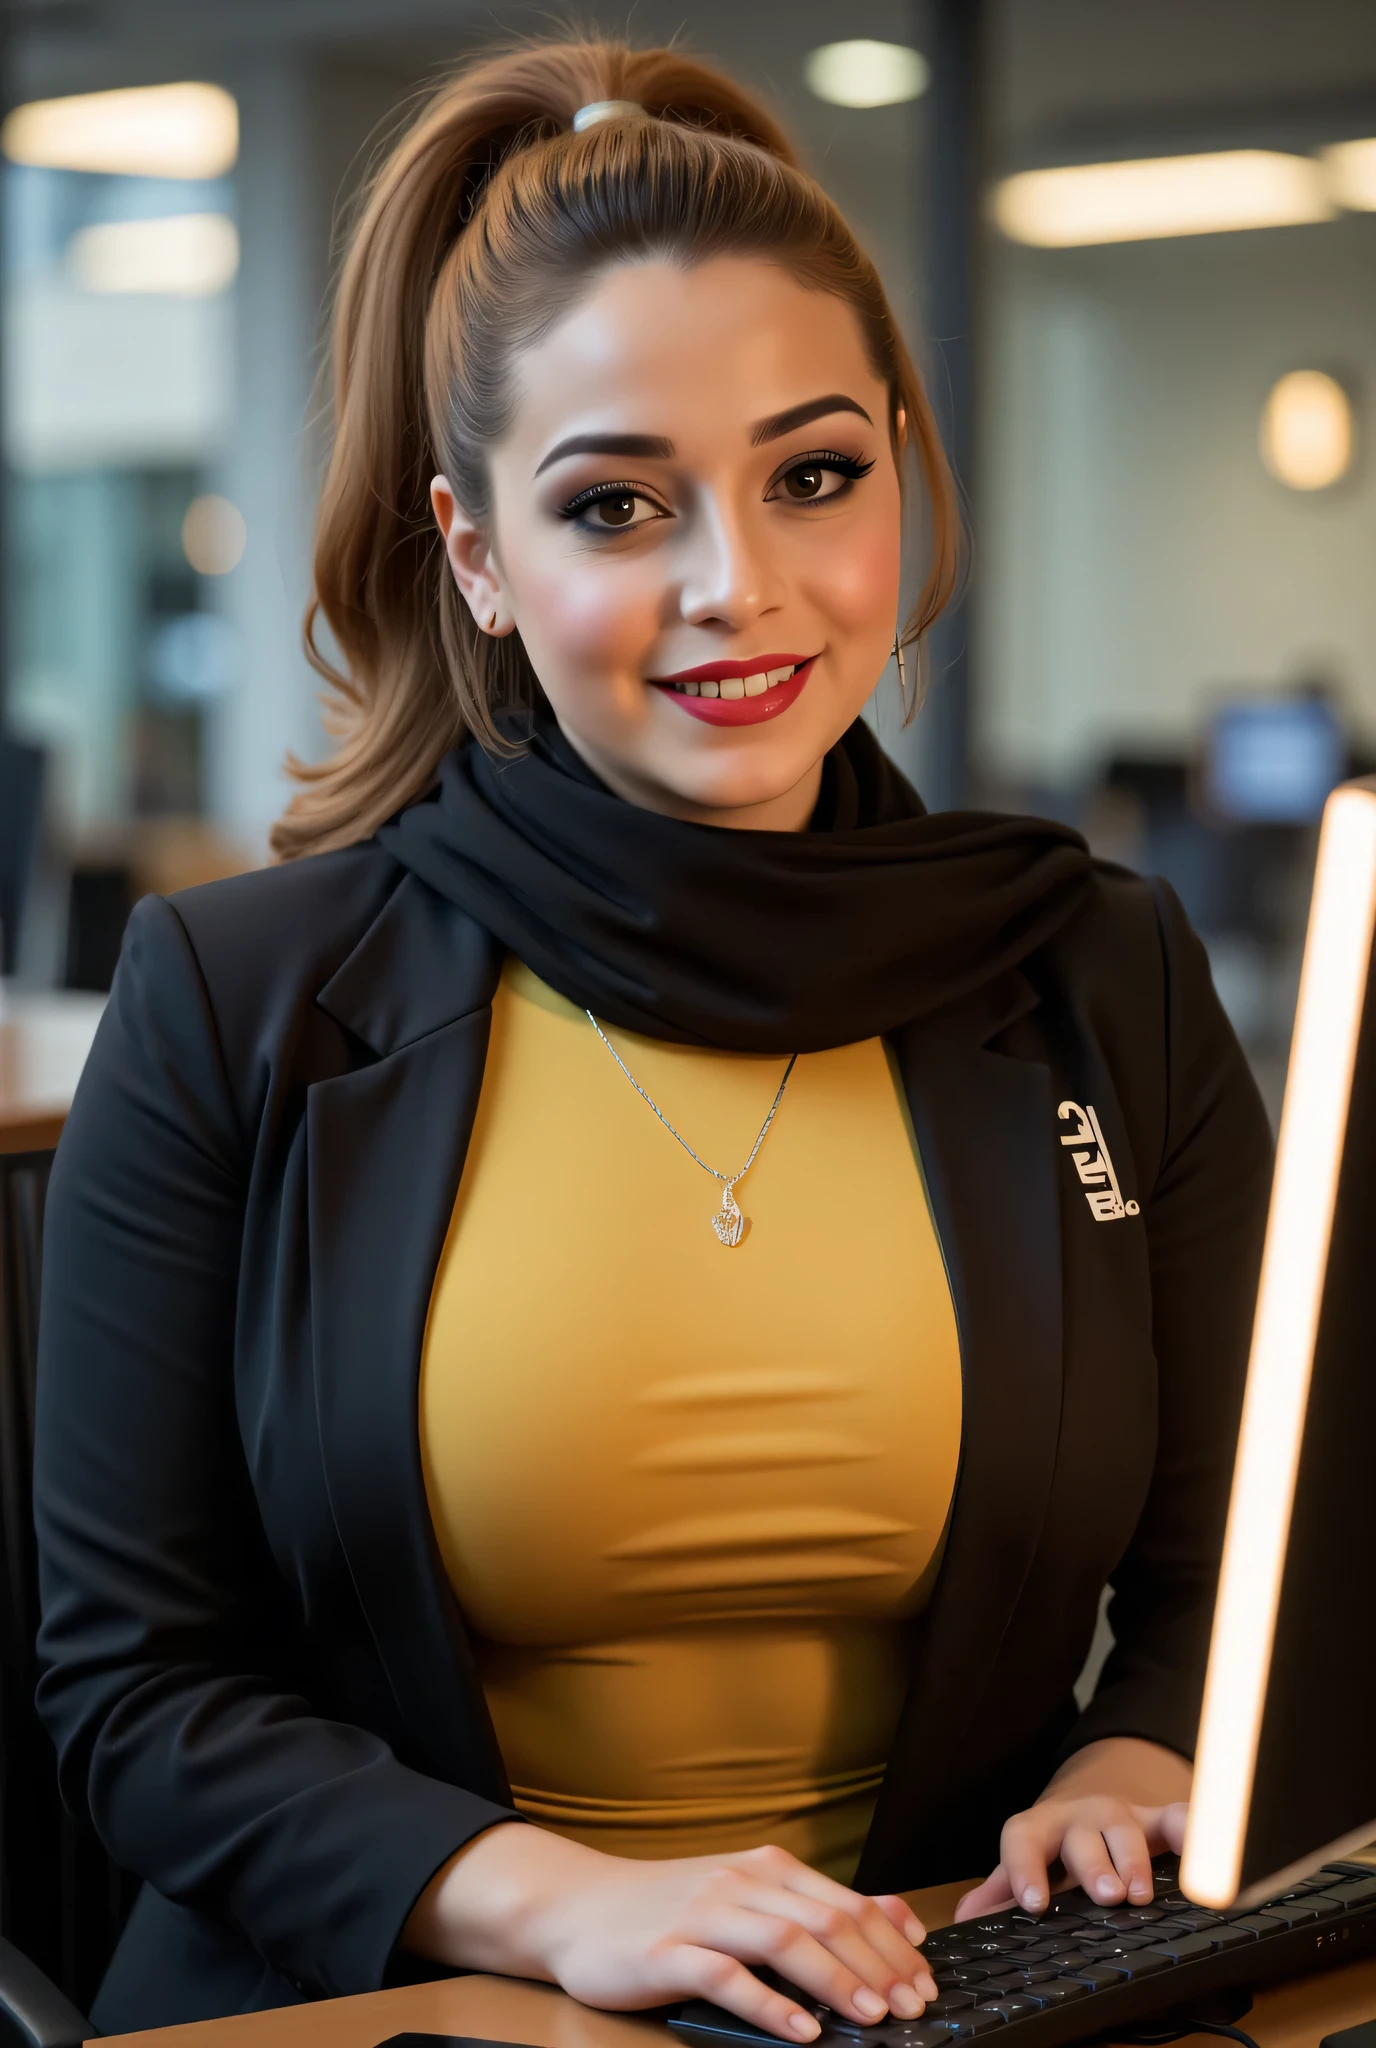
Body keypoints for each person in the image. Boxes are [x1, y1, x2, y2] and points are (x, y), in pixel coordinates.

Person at [33, 34, 1273, 2043]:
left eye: (814, 474)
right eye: (617, 507)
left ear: (900, 457)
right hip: (405, 2007)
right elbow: (134, 1691)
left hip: (940, 1997)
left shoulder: (1096, 974)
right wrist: (556, 1906)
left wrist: (1136, 1768)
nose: (740, 584)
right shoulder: (232, 1003)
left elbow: (1251, 1587)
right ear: (475, 558)